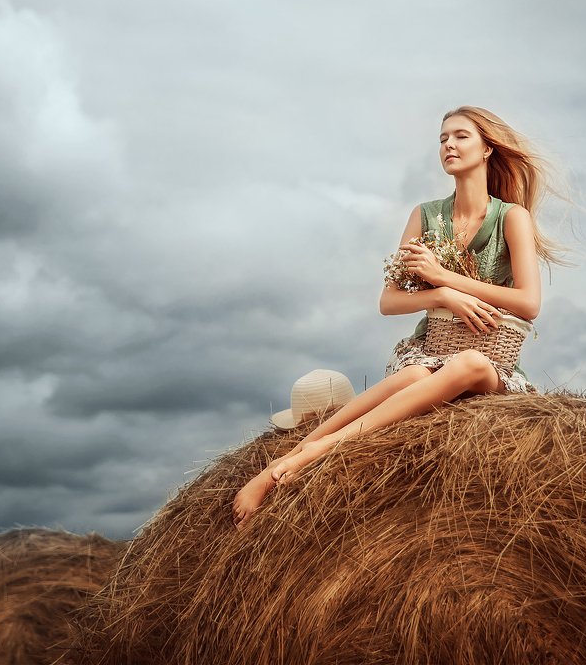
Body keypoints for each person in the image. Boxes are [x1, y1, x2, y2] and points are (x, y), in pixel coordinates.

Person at [232, 105, 566, 529]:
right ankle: (279, 465)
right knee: (413, 377)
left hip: (490, 363)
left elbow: (528, 303)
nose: (449, 144)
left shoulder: (511, 218)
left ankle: (321, 450)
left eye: (461, 136)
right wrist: (440, 294)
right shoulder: (426, 216)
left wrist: (444, 276)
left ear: (487, 150)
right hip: (429, 353)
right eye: (443, 138)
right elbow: (388, 301)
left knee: (470, 363)